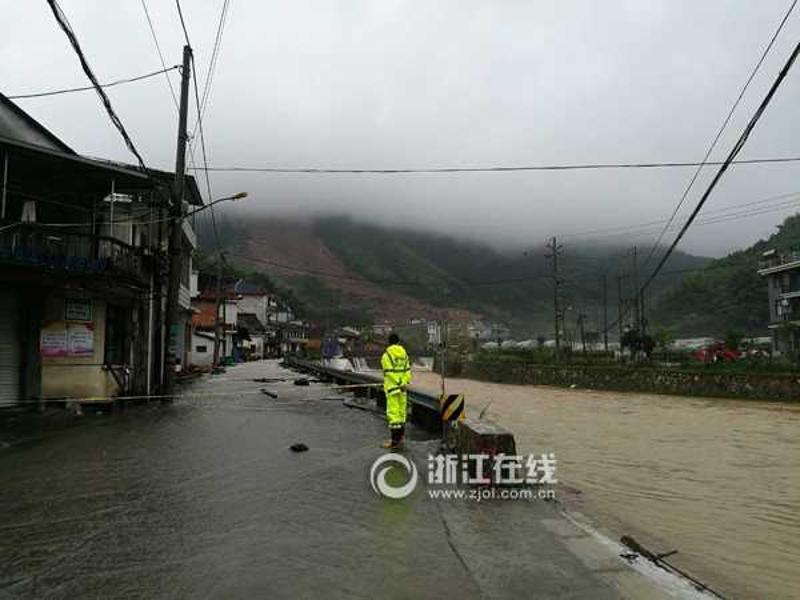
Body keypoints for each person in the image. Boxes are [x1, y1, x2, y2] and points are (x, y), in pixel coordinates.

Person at [381, 333, 412, 449]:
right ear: (398, 342)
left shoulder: (386, 356)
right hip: (403, 388)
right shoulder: (404, 355)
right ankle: (401, 438)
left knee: (393, 415)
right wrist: (403, 383)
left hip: (393, 388)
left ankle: (394, 441)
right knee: (401, 413)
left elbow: (389, 372)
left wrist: (398, 383)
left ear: (389, 342)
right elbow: (408, 371)